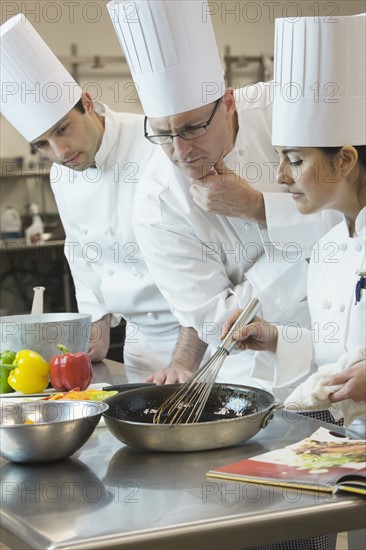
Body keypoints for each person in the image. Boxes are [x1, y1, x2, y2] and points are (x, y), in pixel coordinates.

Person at [107, 0, 340, 394]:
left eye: (193, 128)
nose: (181, 151)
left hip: (348, 345)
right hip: (255, 376)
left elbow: (356, 217)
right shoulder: (156, 207)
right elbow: (221, 324)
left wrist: (259, 209)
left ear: (228, 102)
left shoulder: (286, 110)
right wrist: (310, 248)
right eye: (163, 134)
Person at [0, 14, 186, 377]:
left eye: (63, 129)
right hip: (140, 345)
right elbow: (82, 252)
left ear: (86, 102)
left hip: (196, 342)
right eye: (42, 145)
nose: (60, 151)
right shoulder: (61, 173)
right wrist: (97, 327)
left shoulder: (155, 143)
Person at [223, 14, 366, 432]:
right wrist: (277, 339)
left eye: (296, 160)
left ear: (345, 159)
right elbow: (336, 354)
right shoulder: (327, 249)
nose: (281, 176)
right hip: (346, 446)